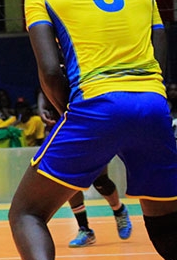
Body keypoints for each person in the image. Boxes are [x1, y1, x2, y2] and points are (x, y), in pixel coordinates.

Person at [9, 0, 177, 260]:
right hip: (152, 105)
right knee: (167, 227)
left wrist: (74, 118)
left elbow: (50, 70)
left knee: (26, 213)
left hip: (97, 104)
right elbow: (161, 63)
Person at [36, 92, 132, 248]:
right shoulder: (57, 77)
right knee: (68, 181)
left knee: (100, 181)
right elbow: (44, 88)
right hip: (65, 128)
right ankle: (85, 230)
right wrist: (41, 109)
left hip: (90, 124)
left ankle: (119, 210)